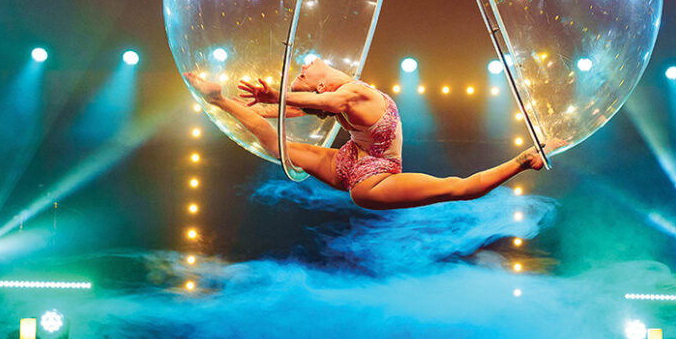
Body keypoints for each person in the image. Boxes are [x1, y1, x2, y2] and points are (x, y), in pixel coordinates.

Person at [183, 57, 557, 210]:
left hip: (364, 174)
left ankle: (522, 160)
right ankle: (217, 100)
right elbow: (269, 112)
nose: (304, 66)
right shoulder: (344, 95)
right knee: (273, 143)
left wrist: (278, 95)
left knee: (456, 188)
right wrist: (228, 97)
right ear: (319, 86)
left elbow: (319, 103)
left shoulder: (349, 94)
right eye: (302, 74)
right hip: (367, 177)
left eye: (301, 73)